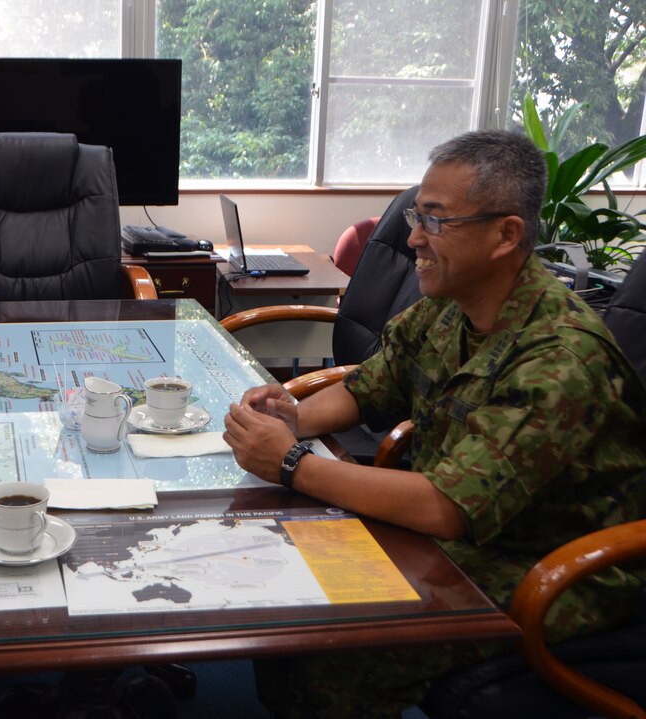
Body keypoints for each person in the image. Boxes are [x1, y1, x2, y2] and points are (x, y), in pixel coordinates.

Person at [223, 129, 646, 717]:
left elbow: (447, 506)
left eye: (437, 221)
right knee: (280, 579)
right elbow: (368, 389)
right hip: (456, 539)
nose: (414, 238)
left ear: (506, 235)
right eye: (417, 217)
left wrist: (292, 463)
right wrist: (291, 418)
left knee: (334, 642)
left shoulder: (560, 358)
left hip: (549, 569)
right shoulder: (448, 306)